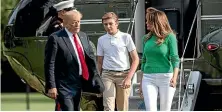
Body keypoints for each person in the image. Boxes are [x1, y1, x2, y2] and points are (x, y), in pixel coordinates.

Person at [44, 9, 104, 111]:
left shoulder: (83, 36)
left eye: (79, 21)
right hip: (63, 84)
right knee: (68, 109)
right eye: (74, 22)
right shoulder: (56, 38)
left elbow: (90, 59)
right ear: (66, 23)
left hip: (79, 82)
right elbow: (50, 64)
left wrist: (96, 80)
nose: (77, 25)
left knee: (76, 109)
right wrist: (51, 86)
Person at [97, 12, 139, 111]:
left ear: (117, 23)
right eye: (105, 24)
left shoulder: (126, 37)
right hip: (107, 75)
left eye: (110, 23)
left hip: (124, 75)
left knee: (122, 107)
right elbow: (99, 62)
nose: (108, 26)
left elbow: (135, 59)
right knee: (108, 107)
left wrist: (129, 78)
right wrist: (98, 79)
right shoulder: (101, 40)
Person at [139, 7, 180, 111]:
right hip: (148, 78)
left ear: (157, 22)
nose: (146, 23)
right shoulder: (145, 38)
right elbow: (144, 60)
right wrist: (141, 82)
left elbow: (175, 58)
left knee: (165, 109)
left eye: (149, 21)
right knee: (150, 109)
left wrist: (175, 78)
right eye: (146, 20)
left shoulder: (170, 37)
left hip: (166, 78)